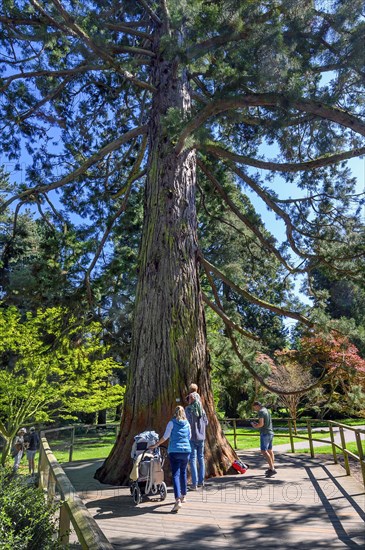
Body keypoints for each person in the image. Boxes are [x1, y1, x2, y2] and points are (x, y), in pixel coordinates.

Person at [149, 406, 191, 513]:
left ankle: (177, 500)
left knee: (176, 474)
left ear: (175, 413)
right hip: (186, 451)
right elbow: (189, 437)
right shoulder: (187, 423)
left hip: (174, 451)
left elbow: (165, 437)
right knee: (183, 472)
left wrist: (156, 445)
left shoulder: (171, 423)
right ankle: (184, 496)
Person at [185, 387, 208, 490]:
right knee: (201, 458)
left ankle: (194, 484)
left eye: (189, 398)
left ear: (192, 399)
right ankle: (201, 482)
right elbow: (206, 422)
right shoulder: (202, 410)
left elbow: (187, 422)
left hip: (192, 437)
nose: (188, 400)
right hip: (202, 437)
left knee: (193, 460)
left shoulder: (188, 409)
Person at [251, 401, 276, 477]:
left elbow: (261, 424)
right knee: (270, 450)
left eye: (254, 407)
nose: (254, 409)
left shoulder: (261, 412)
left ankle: (272, 469)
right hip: (270, 432)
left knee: (264, 451)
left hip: (265, 433)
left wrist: (255, 426)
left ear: (257, 406)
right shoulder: (266, 410)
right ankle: (271, 467)